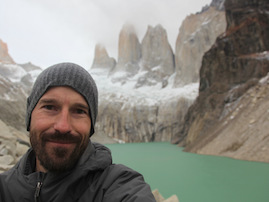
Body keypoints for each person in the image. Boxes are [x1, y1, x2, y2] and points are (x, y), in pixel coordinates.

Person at [0, 62, 156, 202]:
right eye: (49, 107)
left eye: (79, 111)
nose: (63, 126)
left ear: (91, 125)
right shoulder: (4, 190)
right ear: (29, 116)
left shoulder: (117, 185)